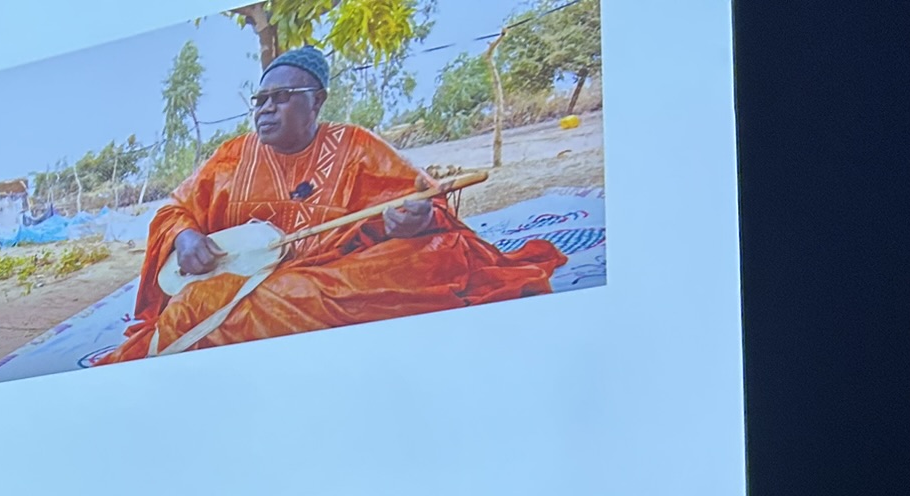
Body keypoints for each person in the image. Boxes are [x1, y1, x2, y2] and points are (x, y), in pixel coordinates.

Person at [97, 46, 566, 364]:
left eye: (282, 98)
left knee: (433, 261)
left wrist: (410, 221)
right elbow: (171, 212)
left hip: (336, 273)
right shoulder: (231, 156)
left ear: (316, 101)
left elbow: (428, 207)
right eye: (260, 100)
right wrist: (186, 236)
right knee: (196, 303)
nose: (265, 109)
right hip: (241, 278)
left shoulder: (357, 145)